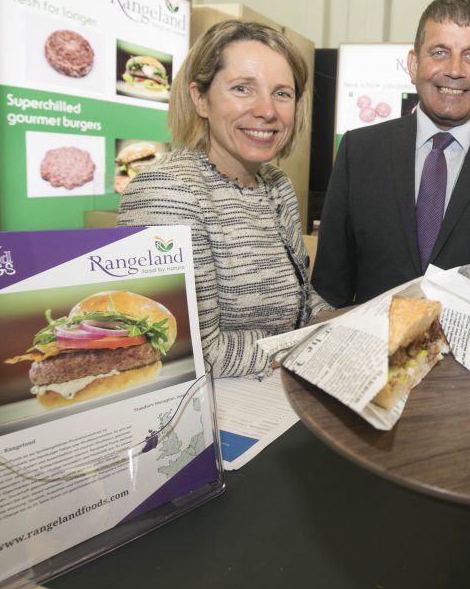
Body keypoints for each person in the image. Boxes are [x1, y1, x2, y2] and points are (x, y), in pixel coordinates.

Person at [313, 0, 470, 307]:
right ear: (414, 64)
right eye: (440, 52)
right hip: (373, 339)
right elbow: (329, 289)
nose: (455, 70)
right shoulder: (358, 152)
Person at [118, 21, 329, 376]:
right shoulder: (166, 190)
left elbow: (301, 300)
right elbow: (187, 349)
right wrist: (307, 346)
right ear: (200, 98)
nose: (267, 110)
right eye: (242, 88)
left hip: (278, 385)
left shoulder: (276, 184)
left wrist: (343, 322)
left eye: (282, 93)